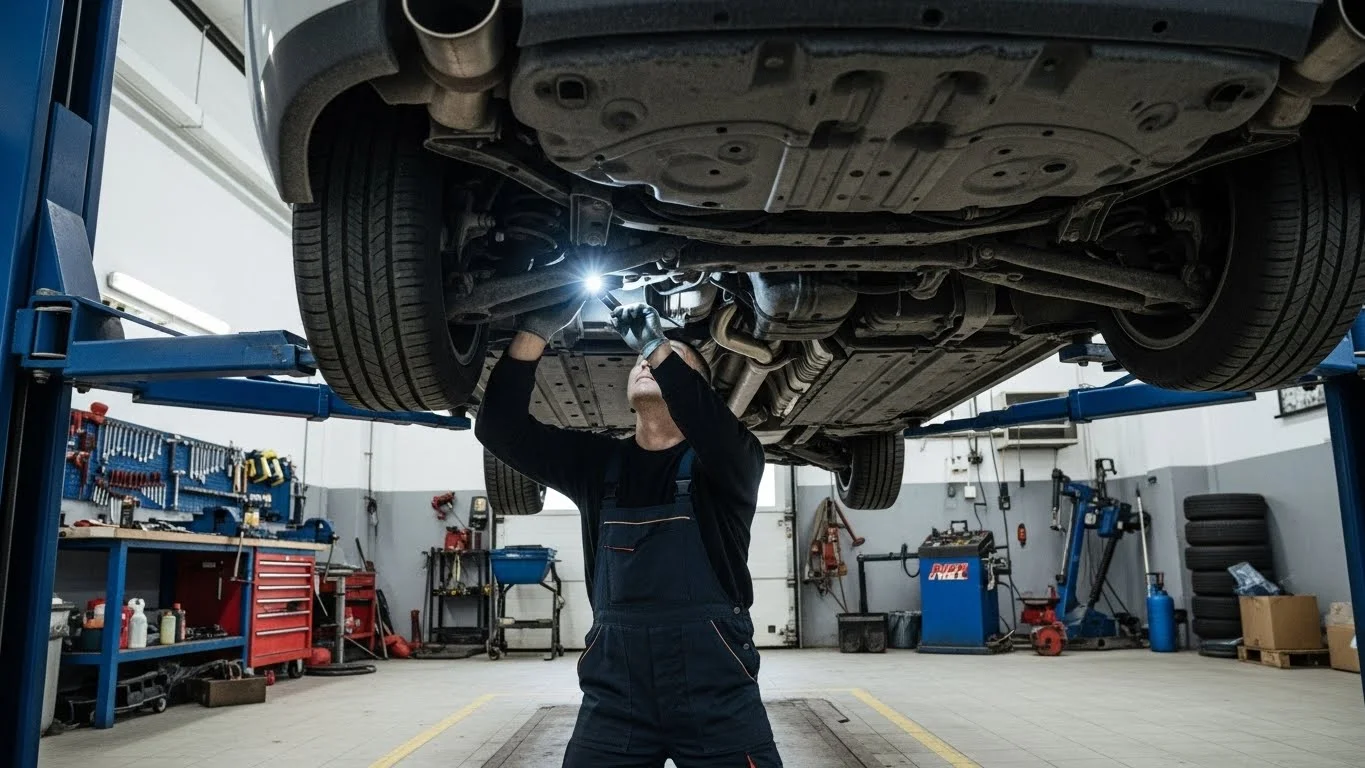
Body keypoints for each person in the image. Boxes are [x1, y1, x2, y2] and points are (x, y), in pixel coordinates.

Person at [475, 298, 784, 768]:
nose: (646, 360)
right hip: (616, 698)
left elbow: (716, 428)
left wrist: (659, 343)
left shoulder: (727, 466)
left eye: (667, 358)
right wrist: (536, 328)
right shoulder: (598, 466)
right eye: (640, 356)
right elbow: (498, 428)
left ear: (694, 388)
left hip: (715, 695)